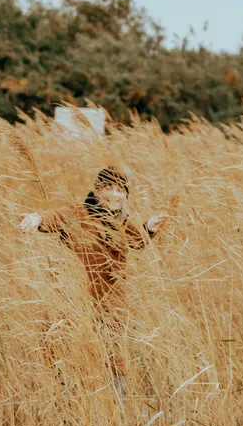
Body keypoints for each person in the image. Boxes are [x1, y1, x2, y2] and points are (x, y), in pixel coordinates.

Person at [19, 166, 165, 393]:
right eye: (109, 188)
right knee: (71, 355)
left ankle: (116, 407)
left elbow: (137, 241)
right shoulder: (77, 213)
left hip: (111, 302)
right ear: (97, 190)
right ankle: (71, 402)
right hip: (77, 300)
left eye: (121, 190)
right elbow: (53, 217)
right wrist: (36, 218)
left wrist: (149, 228)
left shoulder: (122, 223)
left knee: (114, 358)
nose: (115, 194)